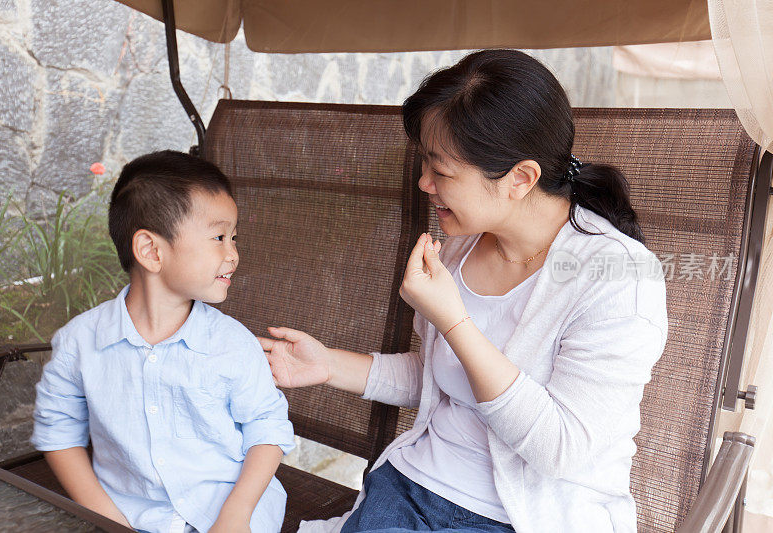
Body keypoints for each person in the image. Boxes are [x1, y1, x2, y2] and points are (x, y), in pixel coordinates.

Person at [259, 50, 668, 533]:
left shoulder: (618, 279)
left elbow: (560, 448)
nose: (423, 182)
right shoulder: (459, 246)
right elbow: (442, 379)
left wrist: (454, 321)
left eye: (442, 171)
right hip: (413, 486)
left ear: (521, 178)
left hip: (528, 515)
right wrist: (328, 364)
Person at [32, 151, 295, 533]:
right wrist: (109, 521)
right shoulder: (79, 342)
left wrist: (236, 515)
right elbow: (58, 432)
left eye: (234, 238)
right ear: (151, 251)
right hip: (129, 513)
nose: (233, 254)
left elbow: (267, 428)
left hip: (229, 508)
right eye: (219, 237)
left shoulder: (233, 344)